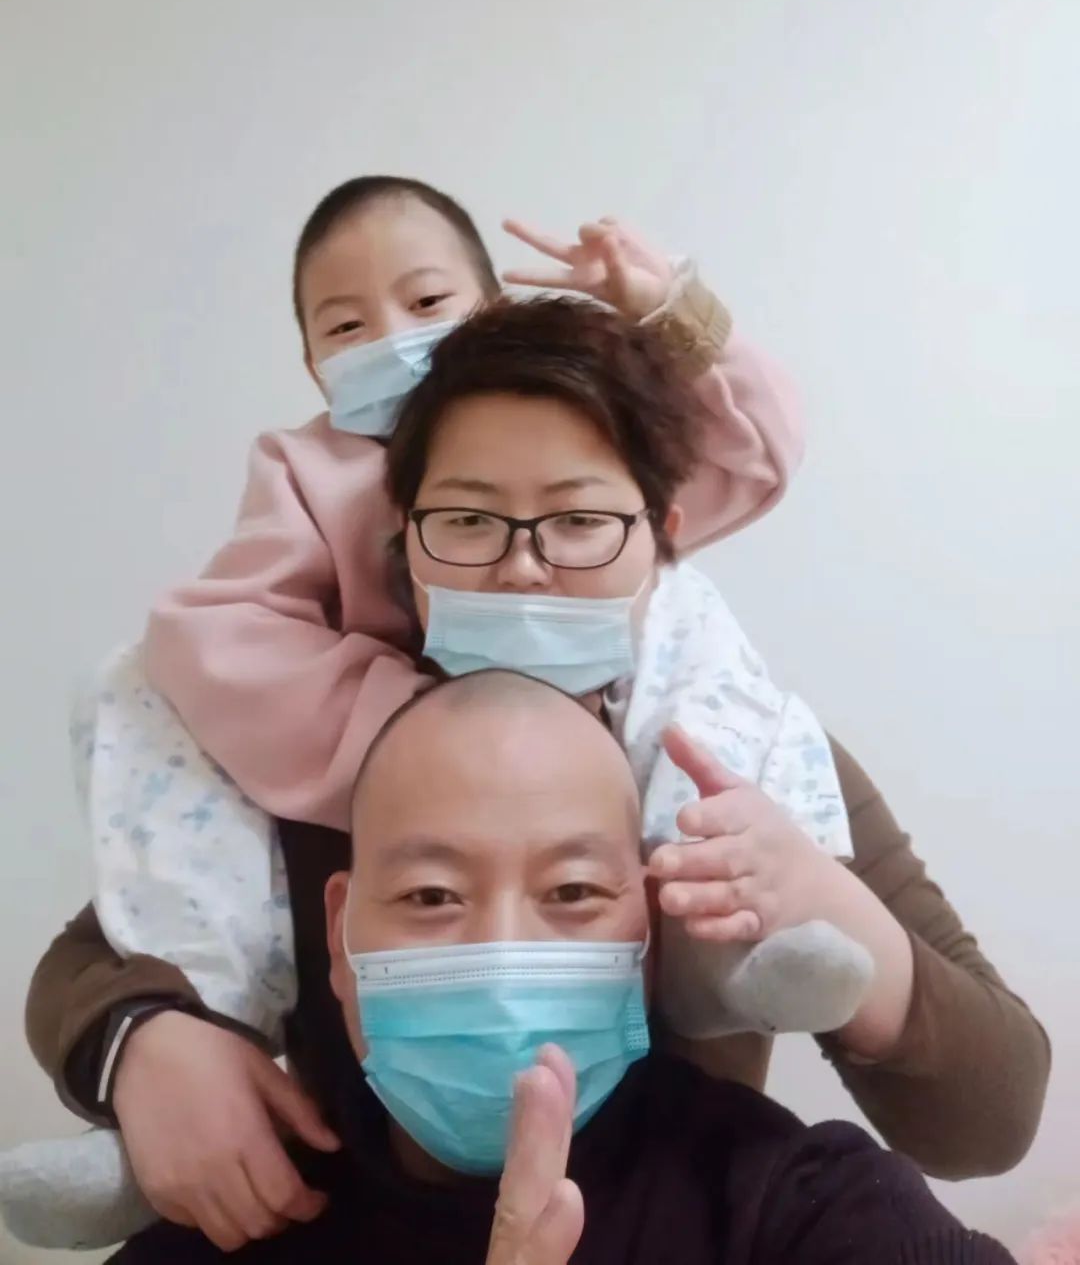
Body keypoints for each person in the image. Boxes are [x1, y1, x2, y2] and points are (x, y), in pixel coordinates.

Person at [12, 301, 1048, 1256]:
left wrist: (838, 910)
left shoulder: (745, 754)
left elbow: (990, 1114)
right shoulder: (323, 749)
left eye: (579, 520)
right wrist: (143, 1038)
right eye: (468, 520)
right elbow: (109, 942)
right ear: (406, 542)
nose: (522, 567)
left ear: (662, 536)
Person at [2, 182, 805, 1250]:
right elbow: (210, 632)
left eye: (426, 301)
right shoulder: (309, 469)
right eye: (345, 324)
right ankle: (159, 1142)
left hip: (674, 1185)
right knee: (134, 696)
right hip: (351, 1174)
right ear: (311, 364)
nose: (390, 338)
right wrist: (416, 730)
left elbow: (754, 457)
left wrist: (674, 312)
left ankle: (753, 969)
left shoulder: (618, 510)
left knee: (708, 694)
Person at [105, 671, 1015, 1264]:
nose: (500, 957)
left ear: (649, 933)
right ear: (341, 931)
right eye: (431, 895)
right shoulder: (226, 1230)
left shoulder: (786, 1203)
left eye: (573, 891)